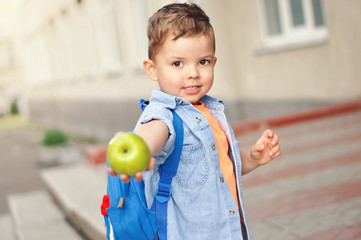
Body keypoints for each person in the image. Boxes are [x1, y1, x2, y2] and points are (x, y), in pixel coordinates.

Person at [108, 3, 281, 240]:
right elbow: (154, 131)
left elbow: (219, 168)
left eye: (203, 62)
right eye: (177, 63)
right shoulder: (164, 112)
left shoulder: (211, 110)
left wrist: (251, 158)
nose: (193, 73)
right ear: (152, 69)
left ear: (214, 63)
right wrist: (138, 145)